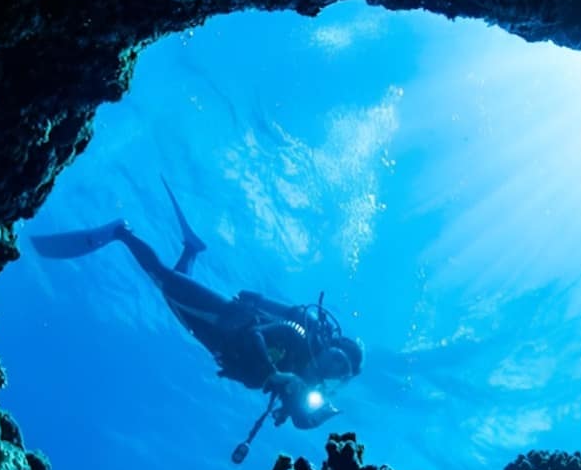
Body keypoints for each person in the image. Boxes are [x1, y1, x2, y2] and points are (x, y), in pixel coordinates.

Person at [27, 177, 362, 439]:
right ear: (330, 346)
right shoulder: (296, 334)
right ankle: (121, 232)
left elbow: (302, 421)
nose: (333, 369)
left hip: (215, 342)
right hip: (226, 318)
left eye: (341, 372)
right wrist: (276, 373)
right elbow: (258, 336)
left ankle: (191, 249)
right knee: (163, 280)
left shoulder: (301, 378)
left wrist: (323, 411)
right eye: (337, 359)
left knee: (169, 294)